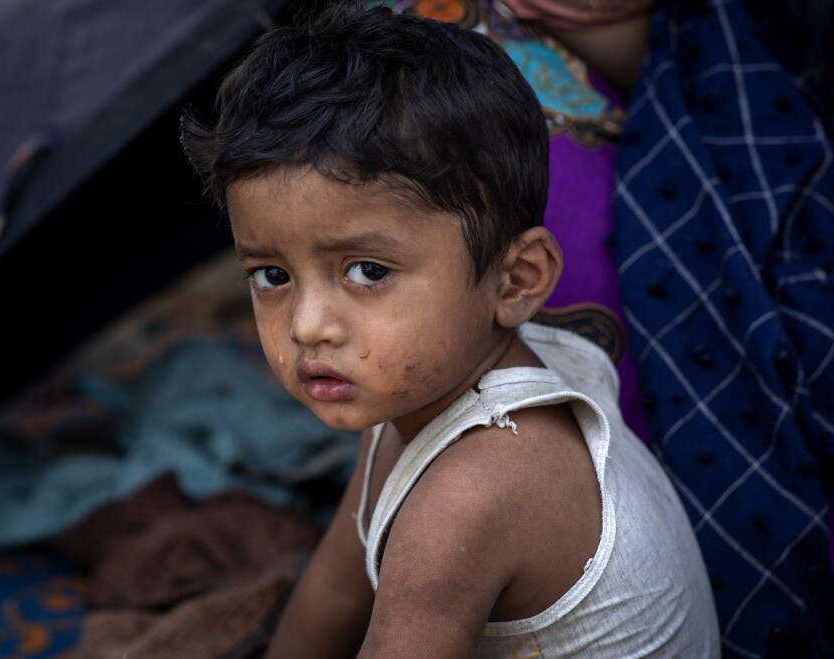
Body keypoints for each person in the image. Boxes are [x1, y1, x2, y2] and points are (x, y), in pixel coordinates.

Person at [179, 2, 720, 656]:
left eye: (367, 270)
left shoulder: (475, 489)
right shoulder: (407, 388)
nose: (308, 325)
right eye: (271, 275)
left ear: (517, 280)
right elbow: (336, 591)